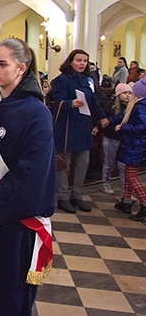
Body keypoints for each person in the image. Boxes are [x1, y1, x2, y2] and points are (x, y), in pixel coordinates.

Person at [0, 38, 55, 316]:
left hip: (13, 225)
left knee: (7, 302)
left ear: (21, 68)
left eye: (2, 64)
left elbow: (31, 174)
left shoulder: (37, 113)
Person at [52, 50, 109, 214]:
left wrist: (102, 118)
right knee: (64, 165)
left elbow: (93, 101)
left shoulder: (86, 80)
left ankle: (77, 196)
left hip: (83, 127)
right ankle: (63, 198)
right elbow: (58, 101)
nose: (82, 63)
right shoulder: (62, 79)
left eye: (85, 60)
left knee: (83, 164)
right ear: (71, 61)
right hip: (67, 127)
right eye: (79, 60)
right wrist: (70, 103)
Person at [110, 78, 146, 221]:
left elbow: (142, 127)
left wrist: (123, 127)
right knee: (128, 172)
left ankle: (144, 204)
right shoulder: (138, 104)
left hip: (137, 145)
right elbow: (122, 116)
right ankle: (126, 201)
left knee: (131, 175)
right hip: (134, 145)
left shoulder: (142, 106)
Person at [93, 83, 132, 195]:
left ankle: (126, 191)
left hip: (124, 139)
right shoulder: (110, 108)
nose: (128, 96)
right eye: (124, 93)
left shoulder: (131, 107)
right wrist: (98, 126)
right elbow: (105, 121)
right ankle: (105, 184)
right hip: (111, 138)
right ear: (118, 95)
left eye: (130, 93)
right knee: (109, 163)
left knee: (123, 166)